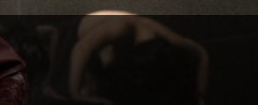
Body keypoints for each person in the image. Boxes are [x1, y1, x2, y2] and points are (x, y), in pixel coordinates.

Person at [67, 10, 209, 105]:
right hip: (85, 29)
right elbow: (82, 48)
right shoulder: (123, 26)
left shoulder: (163, 36)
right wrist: (75, 93)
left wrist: (200, 95)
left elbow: (201, 54)